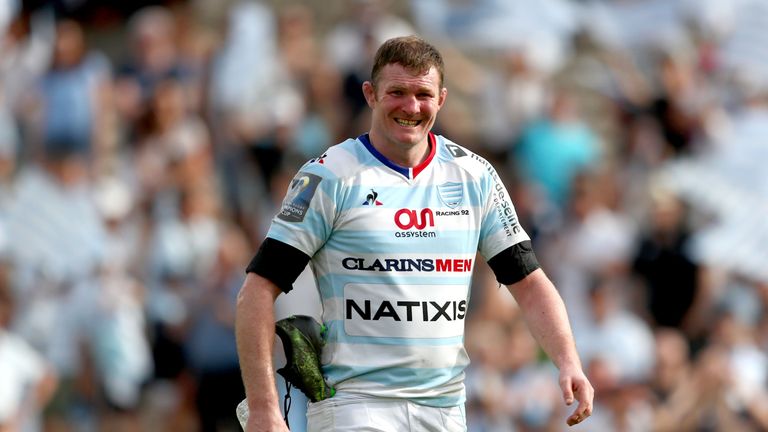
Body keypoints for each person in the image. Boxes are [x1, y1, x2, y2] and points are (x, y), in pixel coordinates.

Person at [235, 35, 593, 432]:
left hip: (445, 408)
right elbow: (256, 291)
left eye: (423, 94)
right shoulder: (329, 176)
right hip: (356, 405)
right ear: (370, 94)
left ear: (441, 99)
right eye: (397, 92)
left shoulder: (474, 176)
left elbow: (529, 283)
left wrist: (568, 361)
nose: (411, 106)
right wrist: (263, 405)